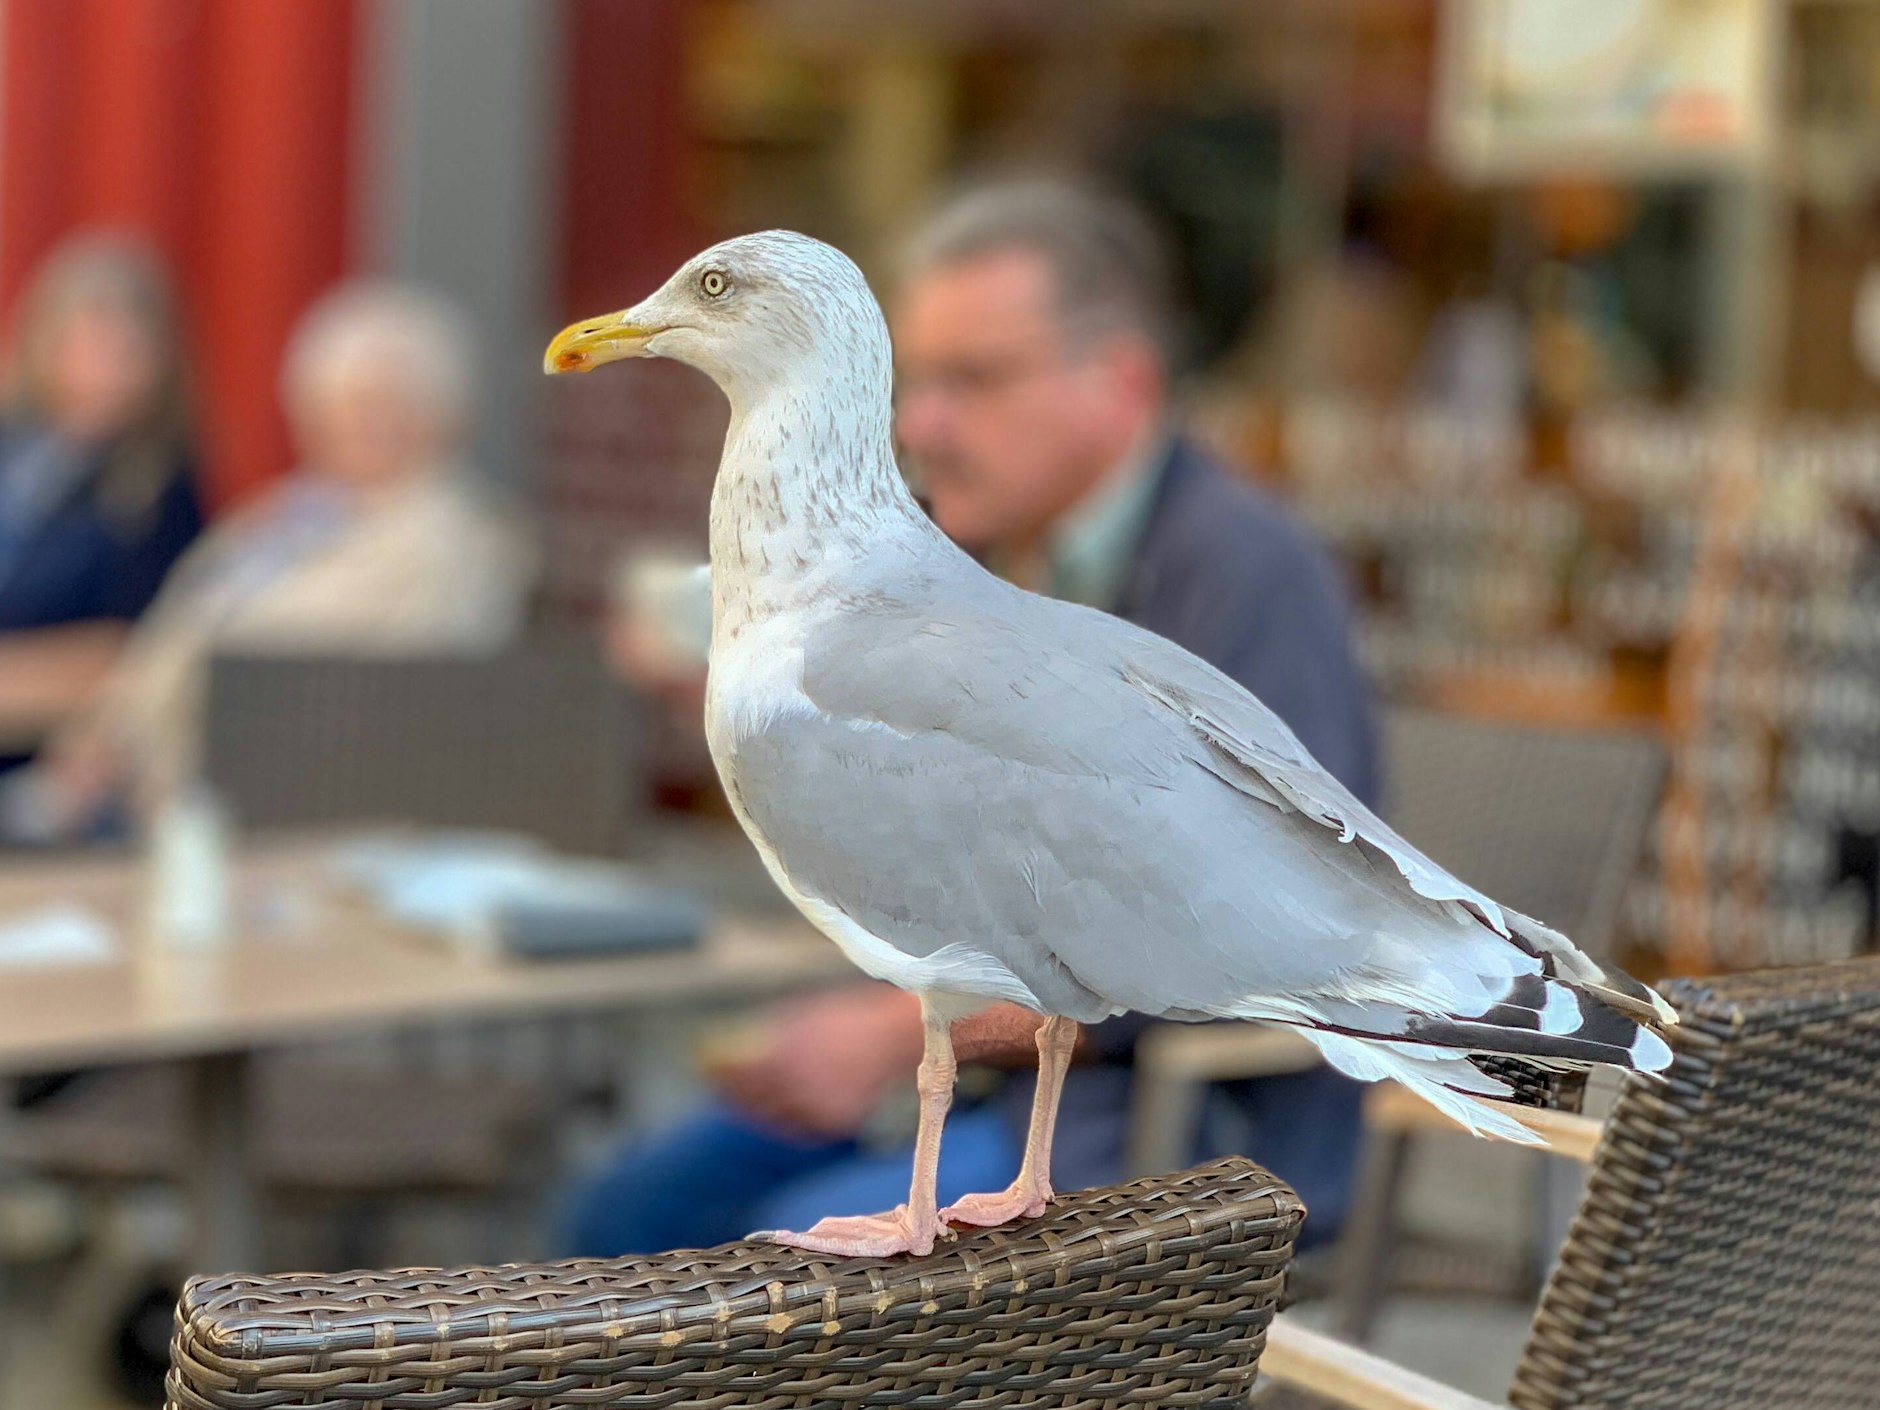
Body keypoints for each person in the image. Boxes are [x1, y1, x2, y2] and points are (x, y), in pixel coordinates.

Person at [567, 180, 1378, 1254]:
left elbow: (1254, 922)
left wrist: (874, 1036)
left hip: (1161, 1110)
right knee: (627, 1205)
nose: (922, 423)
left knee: (788, 1259)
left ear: (1121, 382)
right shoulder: (972, 542)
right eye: (919, 378)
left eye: (975, 379)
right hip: (973, 1068)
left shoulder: (1244, 572)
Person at [5, 280, 534, 839]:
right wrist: (97, 742)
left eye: (388, 402)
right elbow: (169, 634)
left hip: (272, 810)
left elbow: (386, 695)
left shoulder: (454, 537)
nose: (364, 424)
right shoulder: (286, 515)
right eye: (344, 402)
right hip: (135, 791)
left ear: (441, 414)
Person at [0, 234, 204, 768]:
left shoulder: (162, 492)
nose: (103, 366)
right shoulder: (15, 450)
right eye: (88, 342)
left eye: (123, 349)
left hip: (50, 756)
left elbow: (132, 652)